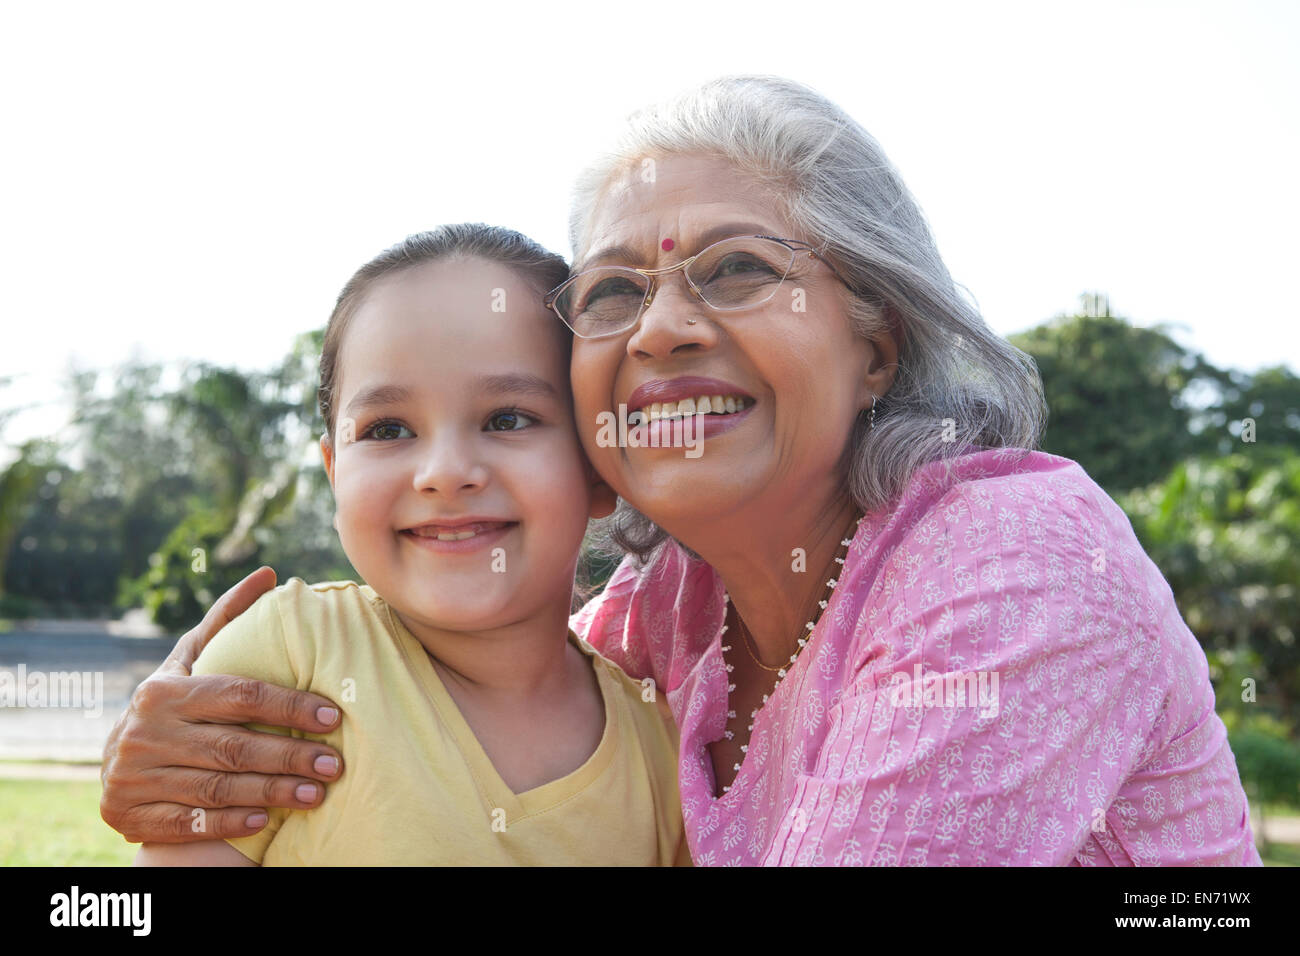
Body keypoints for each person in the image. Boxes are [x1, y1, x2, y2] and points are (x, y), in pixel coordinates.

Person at [103, 75, 1260, 865]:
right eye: (613, 292)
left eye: (738, 268)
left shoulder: (1014, 564)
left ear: (876, 338)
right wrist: (175, 758)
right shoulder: (656, 628)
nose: (659, 329)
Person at [133, 224, 687, 865]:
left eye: (507, 419)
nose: (445, 472)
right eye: (388, 428)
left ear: (598, 467)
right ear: (335, 471)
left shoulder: (660, 750)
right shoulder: (290, 658)